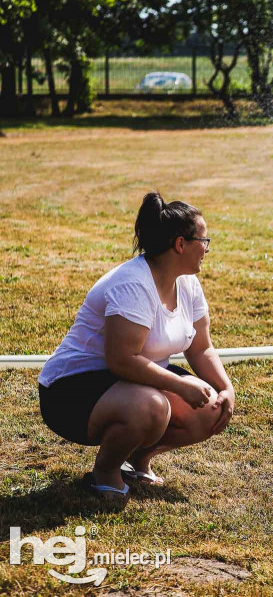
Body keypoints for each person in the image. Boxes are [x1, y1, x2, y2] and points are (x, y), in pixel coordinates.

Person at [37, 192, 235, 500]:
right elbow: (122, 361)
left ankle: (137, 460)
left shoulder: (187, 282)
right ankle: (104, 472)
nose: (207, 249)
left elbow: (201, 348)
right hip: (69, 392)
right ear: (180, 245)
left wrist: (226, 387)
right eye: (204, 241)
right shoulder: (133, 284)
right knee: (153, 406)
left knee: (211, 409)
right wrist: (182, 388)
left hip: (131, 383)